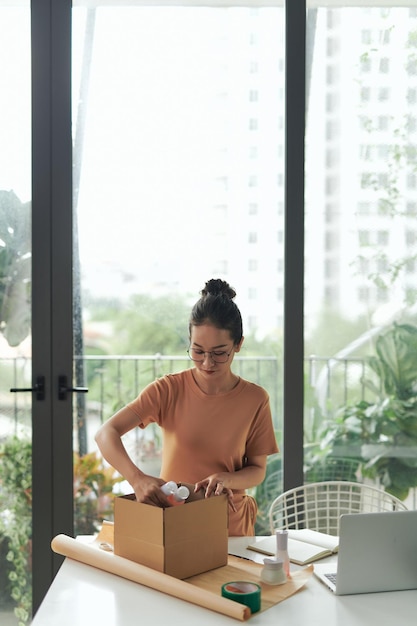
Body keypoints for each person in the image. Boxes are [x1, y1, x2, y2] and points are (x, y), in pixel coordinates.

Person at [95, 278, 279, 536]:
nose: (206, 363)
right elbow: (106, 433)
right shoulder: (168, 390)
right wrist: (137, 479)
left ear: (238, 344)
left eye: (219, 352)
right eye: (198, 351)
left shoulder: (255, 399)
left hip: (230, 523)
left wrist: (226, 478)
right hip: (174, 519)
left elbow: (257, 470)